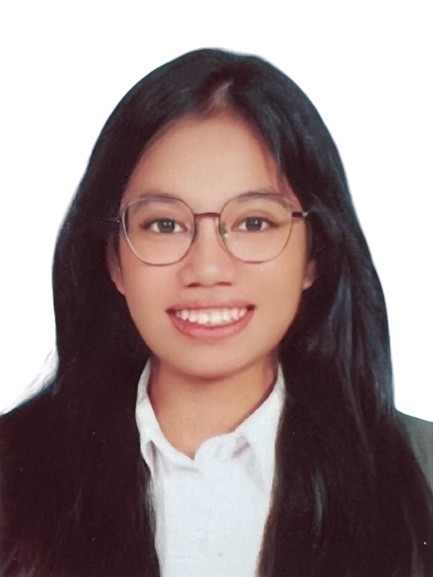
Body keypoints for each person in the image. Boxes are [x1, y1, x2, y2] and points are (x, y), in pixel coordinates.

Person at [0, 48, 432, 577]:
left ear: (314, 255)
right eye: (164, 225)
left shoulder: (422, 474)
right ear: (113, 259)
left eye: (254, 223)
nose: (207, 269)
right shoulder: (11, 472)